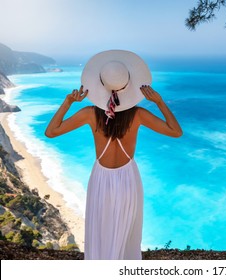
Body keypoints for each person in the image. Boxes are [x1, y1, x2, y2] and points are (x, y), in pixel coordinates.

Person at [45, 50, 182, 260]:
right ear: (128, 85)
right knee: (126, 235)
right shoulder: (138, 115)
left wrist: (68, 102)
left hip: (101, 179)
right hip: (128, 180)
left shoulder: (90, 114)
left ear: (101, 85)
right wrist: (160, 102)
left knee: (101, 232)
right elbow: (175, 131)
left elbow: (51, 132)